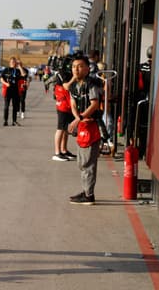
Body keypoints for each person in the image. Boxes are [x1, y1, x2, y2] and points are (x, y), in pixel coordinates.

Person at [65, 54, 102, 205]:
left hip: (91, 126)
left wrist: (79, 118)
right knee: (81, 162)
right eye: (74, 66)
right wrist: (77, 119)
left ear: (87, 69)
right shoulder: (73, 85)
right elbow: (73, 104)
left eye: (80, 66)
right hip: (81, 125)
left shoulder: (91, 84)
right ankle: (86, 191)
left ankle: (89, 195)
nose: (76, 69)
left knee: (88, 162)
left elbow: (94, 104)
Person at [52, 73, 76, 161]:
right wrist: (74, 77)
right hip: (62, 106)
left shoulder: (67, 73)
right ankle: (57, 152)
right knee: (60, 129)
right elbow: (66, 86)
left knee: (65, 129)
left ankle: (64, 149)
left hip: (68, 105)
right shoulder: (61, 74)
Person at [0, 56, 23, 126]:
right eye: (12, 62)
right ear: (9, 62)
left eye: (14, 62)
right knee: (6, 106)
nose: (13, 63)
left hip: (15, 91)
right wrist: (6, 83)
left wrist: (20, 67)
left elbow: (24, 75)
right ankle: (5, 121)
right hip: (7, 91)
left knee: (15, 107)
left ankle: (14, 121)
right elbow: (1, 79)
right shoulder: (6, 70)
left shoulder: (18, 71)